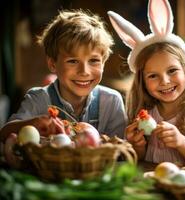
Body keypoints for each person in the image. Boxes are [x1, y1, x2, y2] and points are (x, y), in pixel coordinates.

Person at [0, 9, 127, 167]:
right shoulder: (38, 99)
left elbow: (120, 152)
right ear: (53, 64)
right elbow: (4, 134)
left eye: (94, 60)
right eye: (73, 61)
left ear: (103, 62)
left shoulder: (111, 101)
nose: (84, 71)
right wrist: (33, 123)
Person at [108, 0, 185, 165]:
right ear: (142, 81)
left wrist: (180, 142)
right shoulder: (144, 112)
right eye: (153, 76)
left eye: (172, 71)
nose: (165, 81)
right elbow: (140, 159)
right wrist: (137, 145)